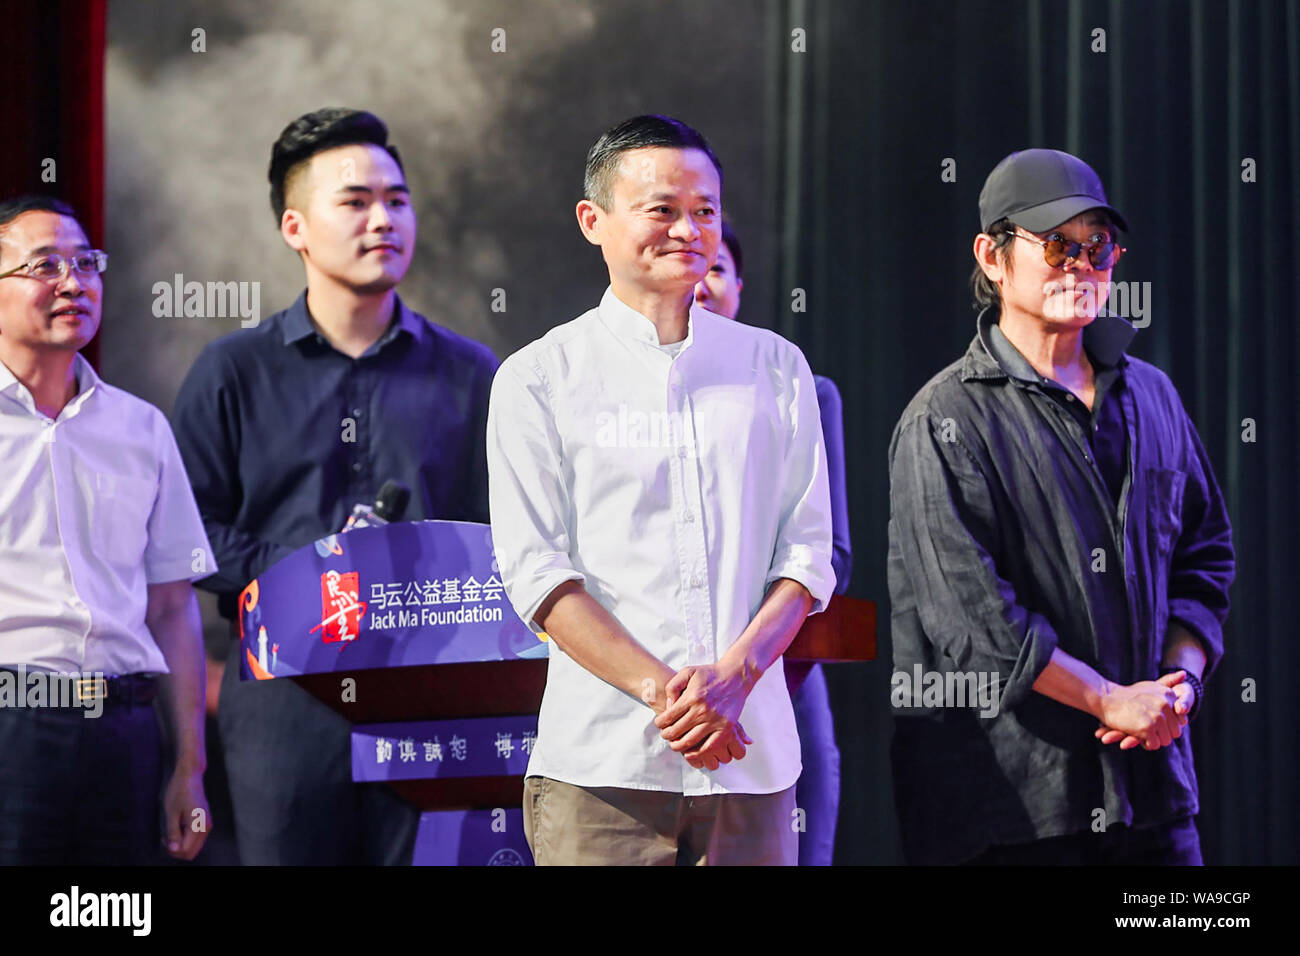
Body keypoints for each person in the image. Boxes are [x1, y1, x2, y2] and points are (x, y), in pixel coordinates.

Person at [487, 114, 835, 866]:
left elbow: (807, 555)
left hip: (751, 761)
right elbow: (537, 572)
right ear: (594, 220)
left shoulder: (776, 367)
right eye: (663, 210)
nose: (690, 229)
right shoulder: (539, 377)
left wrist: (736, 679)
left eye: (705, 211)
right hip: (603, 768)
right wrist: (669, 695)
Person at [887, 149, 1235, 865]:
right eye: (1055, 245)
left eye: (1097, 246)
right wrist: (1109, 700)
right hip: (1014, 809)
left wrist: (1179, 686)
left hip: (1154, 797)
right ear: (992, 256)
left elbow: (1206, 555)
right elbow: (972, 620)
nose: (1080, 265)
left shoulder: (1153, 396)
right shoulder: (944, 416)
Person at [172, 108, 499, 865]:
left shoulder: (470, 371)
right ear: (295, 227)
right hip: (284, 697)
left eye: (397, 199)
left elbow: (500, 534)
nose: (383, 219)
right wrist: (314, 573)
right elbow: (188, 536)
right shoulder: (234, 372)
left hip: (430, 692)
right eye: (355, 202)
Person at [0, 194, 212, 864]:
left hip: (122, 728)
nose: (74, 282)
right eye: (44, 266)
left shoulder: (141, 427)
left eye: (86, 263)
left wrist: (189, 768)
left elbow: (174, 609)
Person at [693, 220, 848, 866]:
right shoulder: (610, 400)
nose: (701, 283)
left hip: (783, 667)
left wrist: (748, 656)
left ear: (740, 286)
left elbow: (832, 553)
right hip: (659, 681)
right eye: (685, 260)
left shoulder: (801, 390)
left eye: (718, 267)